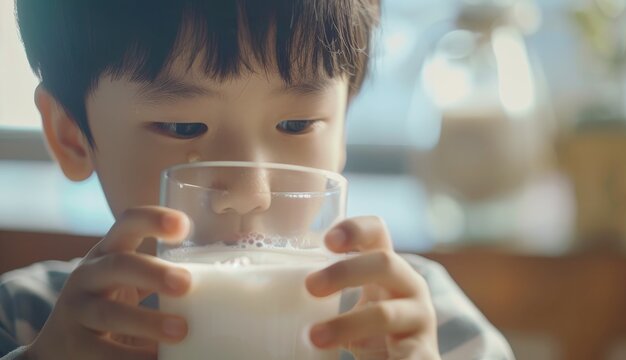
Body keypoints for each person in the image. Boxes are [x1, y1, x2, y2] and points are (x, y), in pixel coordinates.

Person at [1, 1, 514, 359]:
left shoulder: (415, 320)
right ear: (71, 136)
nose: (250, 193)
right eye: (183, 127)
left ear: (343, 126)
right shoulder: (28, 320)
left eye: (296, 125)